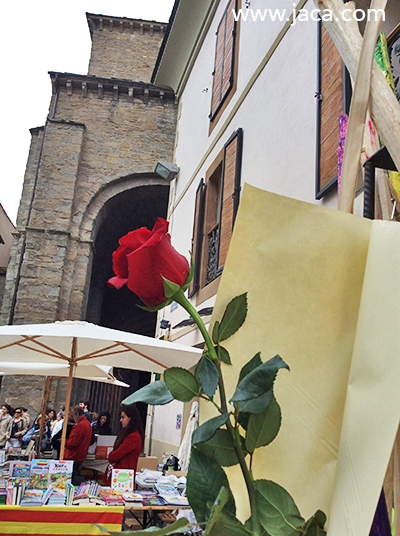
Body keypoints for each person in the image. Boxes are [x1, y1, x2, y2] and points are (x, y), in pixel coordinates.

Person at [105, 404, 143, 486]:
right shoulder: (128, 434)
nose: (120, 420)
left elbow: (114, 456)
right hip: (120, 477)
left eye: (123, 417)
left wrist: (111, 454)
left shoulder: (133, 437)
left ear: (130, 419)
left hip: (122, 478)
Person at [64, 406, 92, 484]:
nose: (73, 418)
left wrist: (64, 442)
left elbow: (73, 443)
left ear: (77, 414)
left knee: (71, 480)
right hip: (80, 455)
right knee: (76, 477)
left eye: (73, 415)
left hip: (74, 456)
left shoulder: (80, 425)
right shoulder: (87, 424)